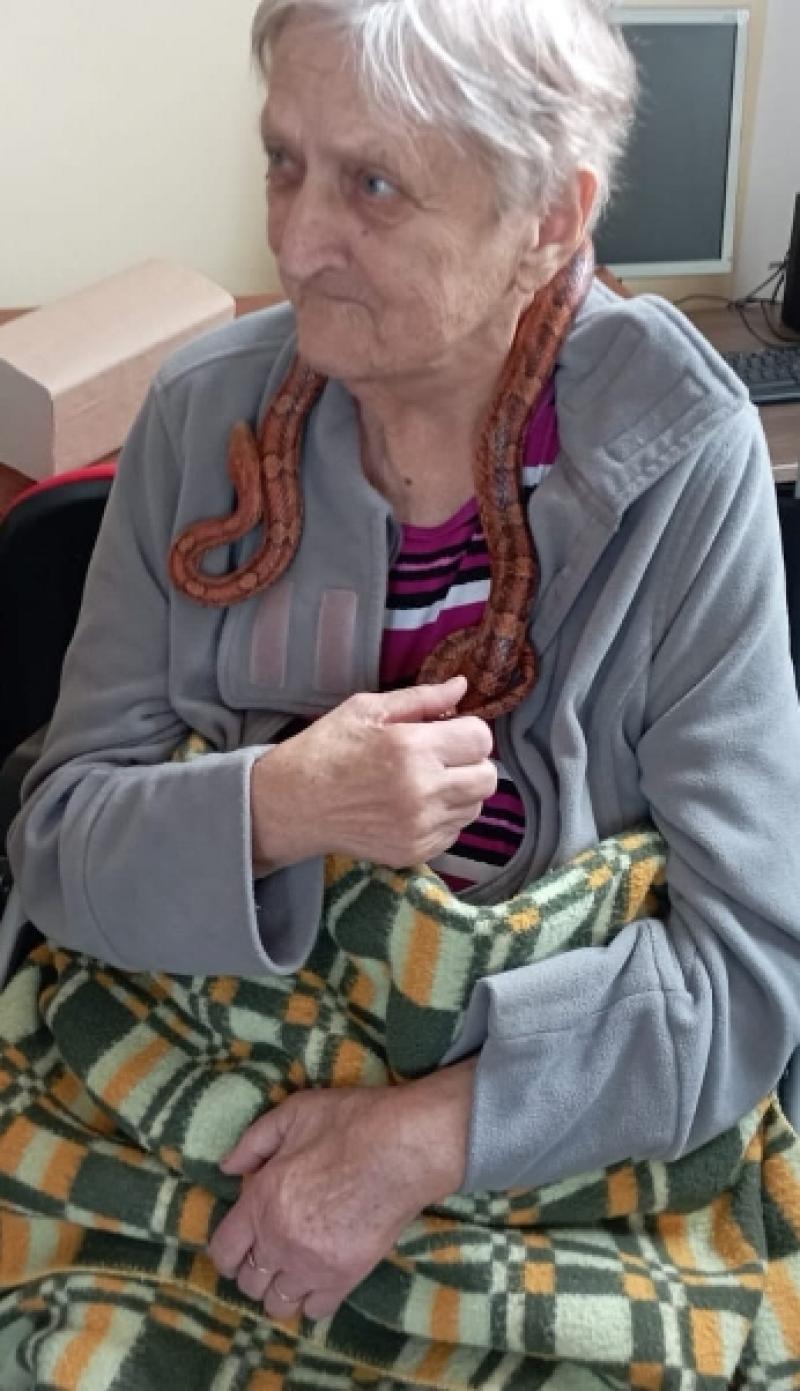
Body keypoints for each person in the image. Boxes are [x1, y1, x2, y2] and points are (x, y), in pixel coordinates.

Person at [3, 0, 800, 1378]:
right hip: (205, 1099)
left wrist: (418, 1140)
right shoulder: (200, 419)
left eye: (373, 184)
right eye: (285, 162)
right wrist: (277, 806)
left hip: (536, 1137)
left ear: (552, 218)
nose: (297, 241)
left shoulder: (685, 461)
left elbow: (745, 973)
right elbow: (59, 846)